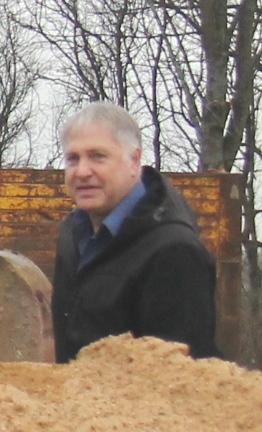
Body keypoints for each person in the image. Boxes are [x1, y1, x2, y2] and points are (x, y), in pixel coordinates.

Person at [52, 100, 217, 360]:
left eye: (98, 156)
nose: (82, 172)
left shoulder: (173, 252)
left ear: (134, 160)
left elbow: (184, 380)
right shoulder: (73, 235)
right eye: (73, 159)